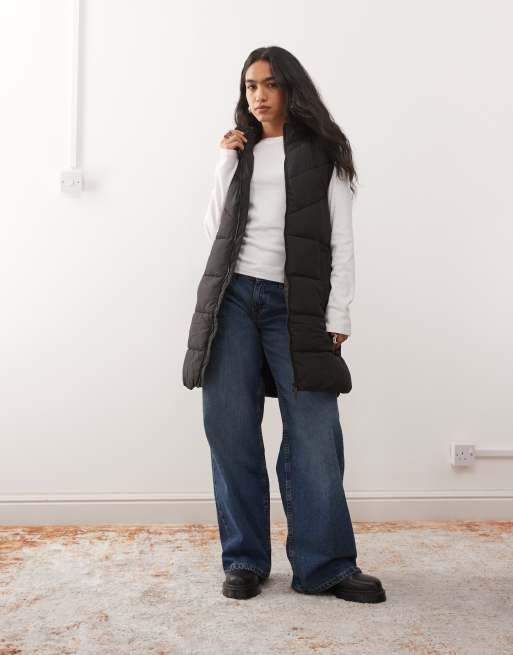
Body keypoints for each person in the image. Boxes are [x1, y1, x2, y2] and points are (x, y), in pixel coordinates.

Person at [185, 46, 386, 603]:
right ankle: (244, 560)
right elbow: (215, 231)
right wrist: (224, 162)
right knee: (230, 430)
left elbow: (342, 238)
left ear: (291, 88)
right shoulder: (241, 151)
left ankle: (326, 565)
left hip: (295, 305)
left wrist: (339, 312)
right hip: (232, 299)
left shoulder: (325, 152)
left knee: (315, 433)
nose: (259, 95)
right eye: (250, 86)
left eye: (270, 84)